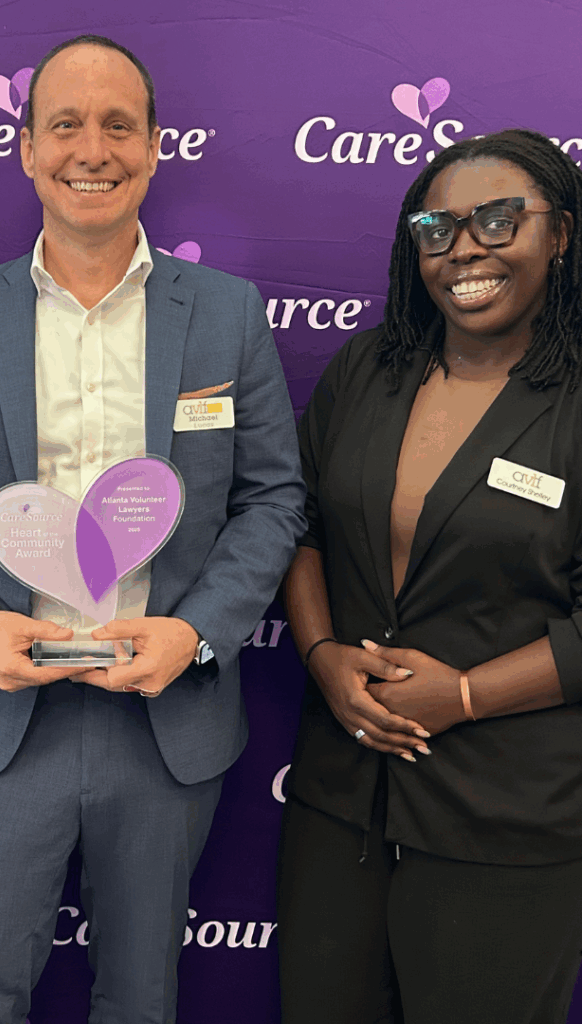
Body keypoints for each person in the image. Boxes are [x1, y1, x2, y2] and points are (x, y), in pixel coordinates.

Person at [0, 33, 305, 1023]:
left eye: (119, 124)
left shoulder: (227, 316)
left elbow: (272, 499)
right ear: (26, 148)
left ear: (156, 147)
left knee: (141, 998)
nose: (93, 147)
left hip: (162, 720)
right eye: (64, 123)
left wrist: (193, 631)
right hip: (1, 718)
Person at [277, 128, 582, 1024]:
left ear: (559, 234)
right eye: (438, 228)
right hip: (344, 796)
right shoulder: (370, 369)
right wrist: (322, 652)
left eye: (498, 220)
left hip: (510, 813)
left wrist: (471, 695)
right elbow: (303, 529)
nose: (466, 250)